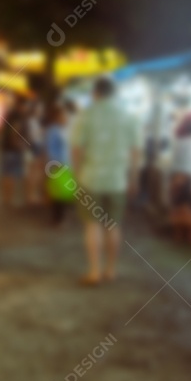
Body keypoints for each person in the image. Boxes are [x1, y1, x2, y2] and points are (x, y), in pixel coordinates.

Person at [70, 78, 142, 285]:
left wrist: (77, 174)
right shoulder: (129, 117)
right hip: (117, 180)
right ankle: (111, 270)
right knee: (113, 225)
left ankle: (94, 271)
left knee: (92, 225)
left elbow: (77, 148)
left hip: (90, 177)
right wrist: (134, 177)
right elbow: (135, 151)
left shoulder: (86, 115)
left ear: (95, 93)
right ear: (115, 93)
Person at [167, 113, 191, 243]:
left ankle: (177, 234)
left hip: (175, 176)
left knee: (177, 205)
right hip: (188, 176)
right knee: (190, 206)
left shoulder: (178, 142)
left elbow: (173, 160)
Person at [44, 102, 73, 226]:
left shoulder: (63, 129)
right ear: (57, 117)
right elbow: (50, 149)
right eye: (64, 115)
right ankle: (57, 219)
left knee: (63, 192)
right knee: (58, 194)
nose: (66, 118)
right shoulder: (53, 131)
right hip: (58, 166)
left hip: (65, 165)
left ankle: (59, 218)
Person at [0, 98, 29, 206]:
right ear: (21, 105)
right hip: (12, 150)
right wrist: (18, 144)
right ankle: (8, 199)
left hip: (7, 149)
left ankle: (6, 198)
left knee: (7, 175)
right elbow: (14, 131)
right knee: (10, 175)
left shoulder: (10, 115)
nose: (26, 108)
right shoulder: (16, 116)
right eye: (25, 106)